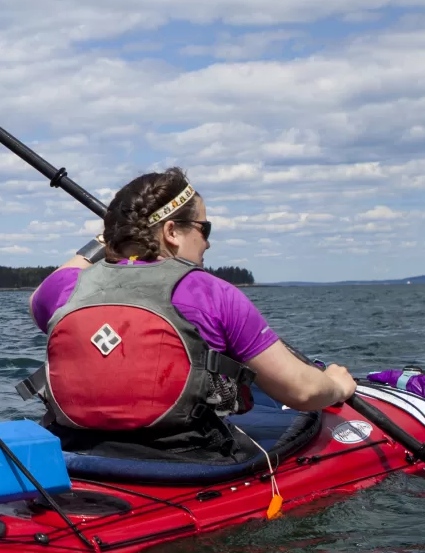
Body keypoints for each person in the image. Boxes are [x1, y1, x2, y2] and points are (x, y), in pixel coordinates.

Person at [25, 168, 354, 449]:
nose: (208, 242)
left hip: (75, 456)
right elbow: (302, 391)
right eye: (203, 228)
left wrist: (107, 237)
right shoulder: (211, 292)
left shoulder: (65, 290)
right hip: (184, 462)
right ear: (171, 232)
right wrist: (337, 385)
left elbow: (46, 289)